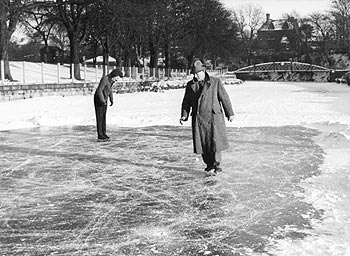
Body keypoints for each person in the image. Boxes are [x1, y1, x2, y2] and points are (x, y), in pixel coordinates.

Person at [180, 59, 234, 174]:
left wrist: (230, 113)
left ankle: (216, 166)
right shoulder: (190, 85)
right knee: (203, 144)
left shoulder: (215, 82)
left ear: (203, 71)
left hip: (213, 118)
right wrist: (184, 115)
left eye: (197, 73)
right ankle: (209, 165)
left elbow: (224, 97)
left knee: (215, 144)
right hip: (199, 119)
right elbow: (186, 102)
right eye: (193, 73)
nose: (195, 75)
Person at [94, 68, 123, 141]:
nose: (116, 80)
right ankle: (100, 135)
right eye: (116, 78)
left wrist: (111, 99)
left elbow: (109, 90)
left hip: (104, 99)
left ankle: (104, 133)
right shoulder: (105, 79)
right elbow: (99, 90)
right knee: (100, 117)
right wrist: (102, 100)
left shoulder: (111, 81)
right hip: (99, 99)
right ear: (114, 75)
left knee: (103, 117)